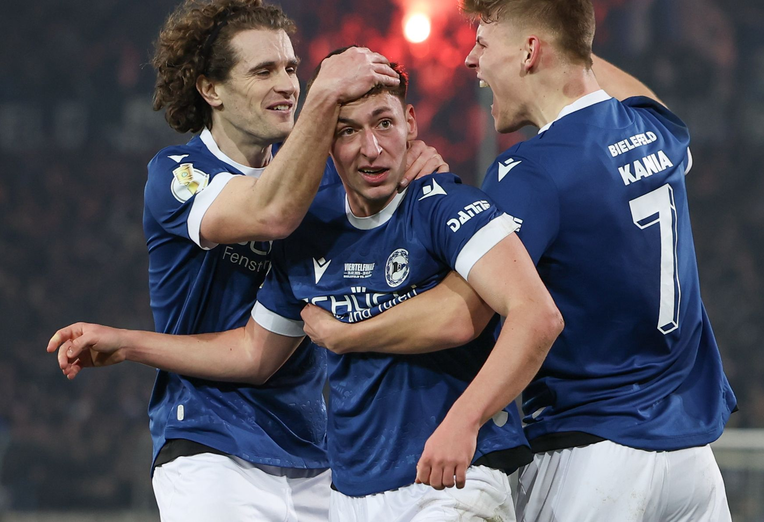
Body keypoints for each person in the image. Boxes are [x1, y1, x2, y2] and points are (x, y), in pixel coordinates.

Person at [301, 0, 737, 522]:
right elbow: (628, 91)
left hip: (594, 450)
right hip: (693, 461)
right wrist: (565, 32)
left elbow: (463, 310)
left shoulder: (529, 173)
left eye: (483, 43)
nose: (471, 62)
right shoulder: (655, 129)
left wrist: (346, 334)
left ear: (531, 51)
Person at [49, 59, 564, 522]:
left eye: (385, 123)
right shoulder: (308, 232)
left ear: (410, 124)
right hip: (352, 495)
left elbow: (534, 316)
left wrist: (462, 423)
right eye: (348, 132)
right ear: (326, 145)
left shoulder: (441, 203)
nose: (371, 147)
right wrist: (129, 344)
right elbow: (253, 353)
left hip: (453, 480)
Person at [47, 0, 445, 522]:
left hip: (314, 449)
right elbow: (270, 211)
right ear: (211, 89)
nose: (287, 85)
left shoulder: (328, 182)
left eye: (290, 69)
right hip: (209, 442)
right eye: (263, 72)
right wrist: (327, 96)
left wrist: (415, 169)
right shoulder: (179, 175)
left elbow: (261, 353)